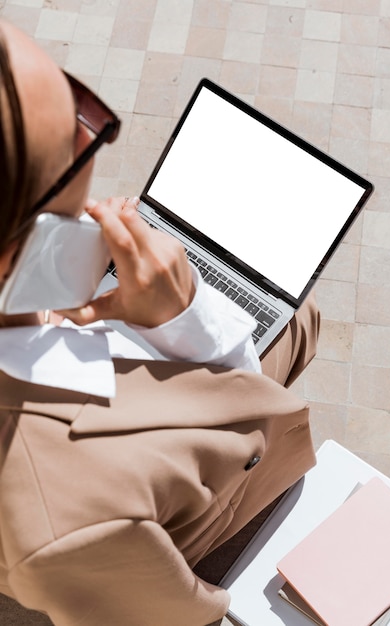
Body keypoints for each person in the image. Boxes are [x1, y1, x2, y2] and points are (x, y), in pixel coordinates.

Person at [0, 18, 320, 626]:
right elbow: (175, 612)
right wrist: (192, 320)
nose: (92, 139)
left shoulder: (31, 280)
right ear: (19, 252)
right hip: (167, 535)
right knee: (297, 319)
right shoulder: (67, 524)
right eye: (77, 134)